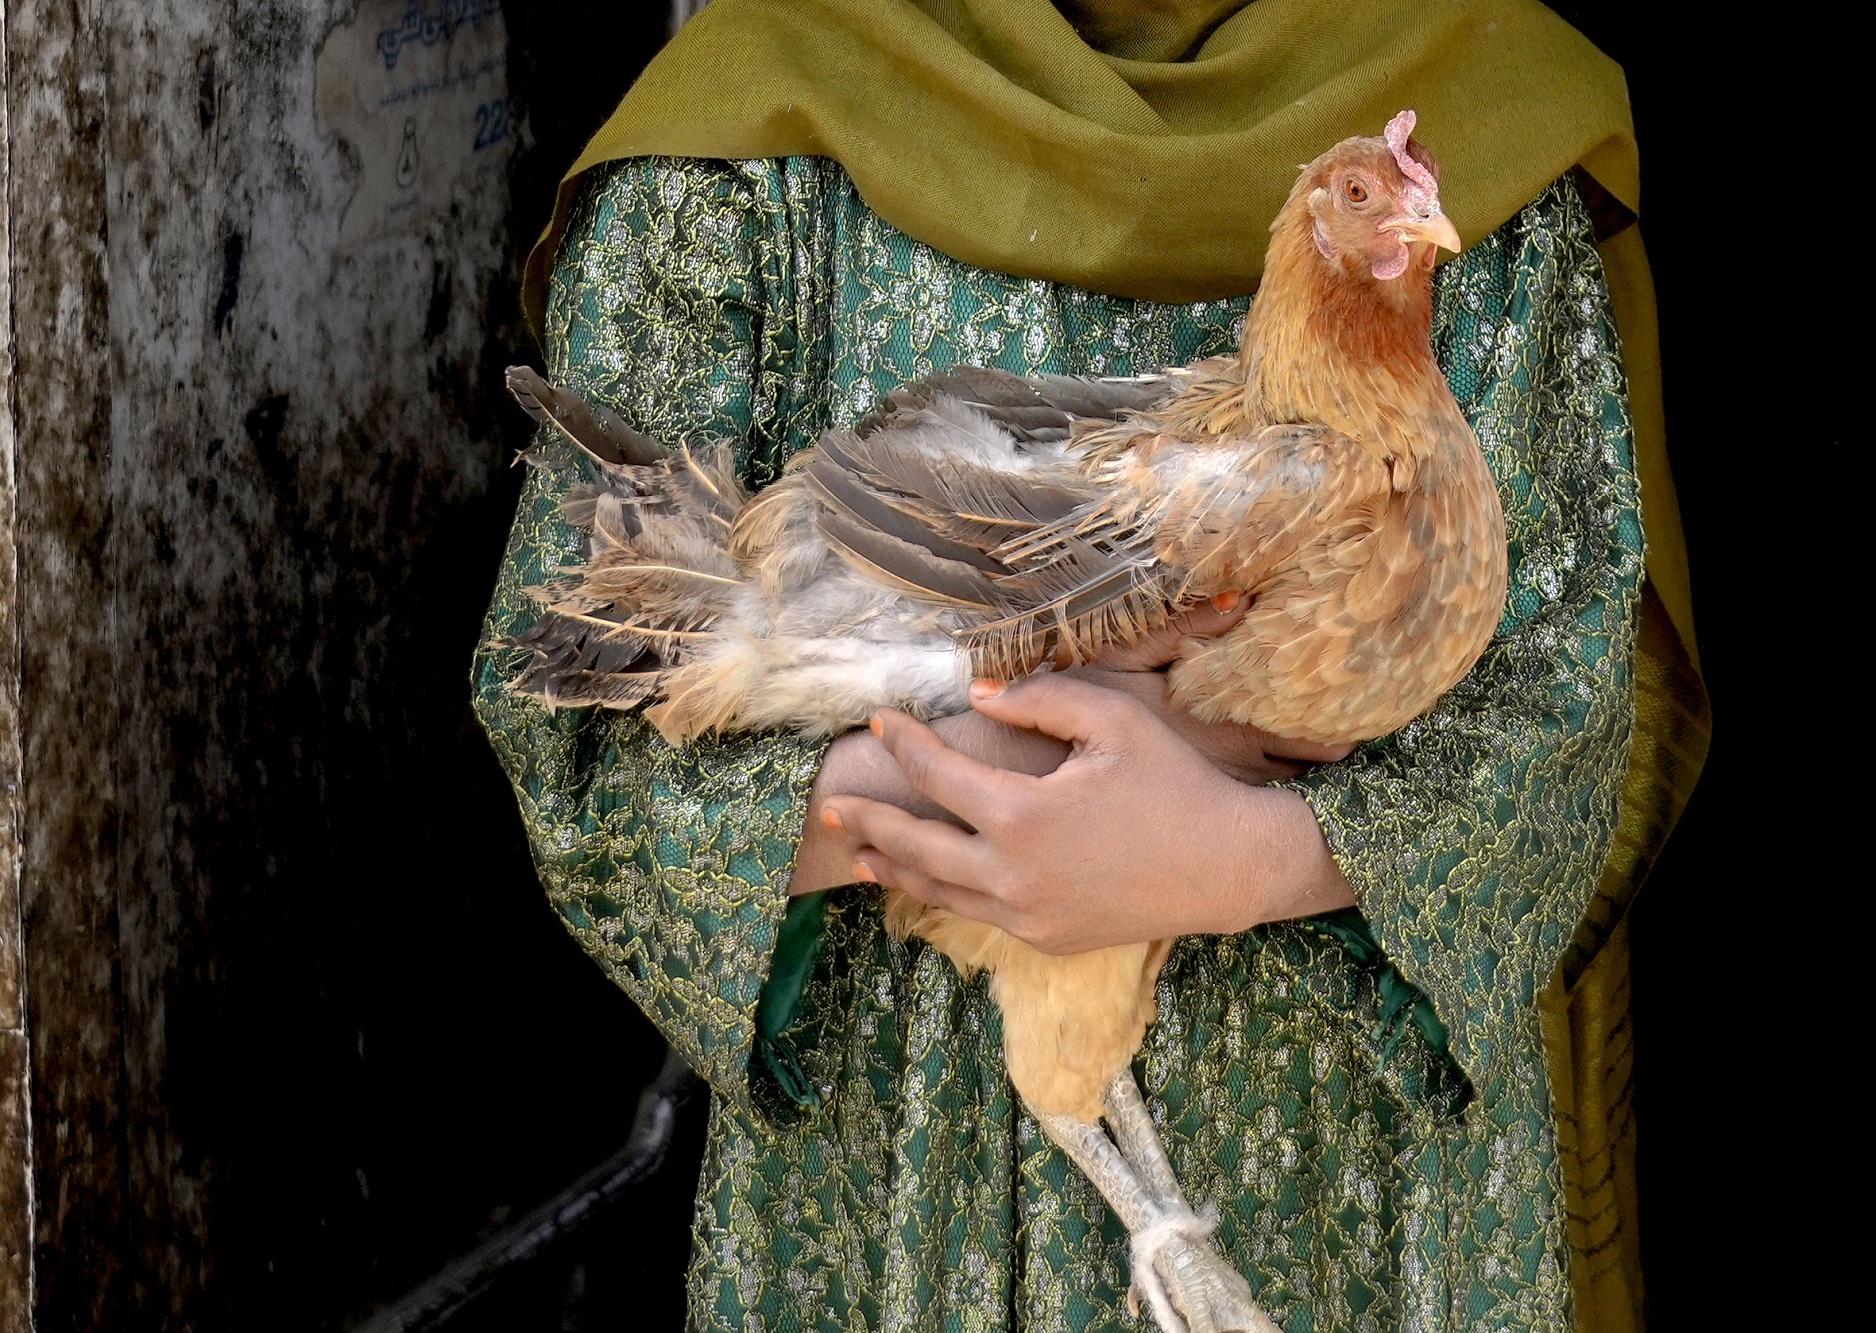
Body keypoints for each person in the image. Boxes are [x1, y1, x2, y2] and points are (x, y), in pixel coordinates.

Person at [475, 1, 1709, 1328]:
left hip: (1363, 1199)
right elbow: (581, 720)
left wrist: (1251, 852)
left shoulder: (1484, 110)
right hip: (899, 1191)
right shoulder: (748, 138)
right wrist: (947, 783)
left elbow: (1576, 701)